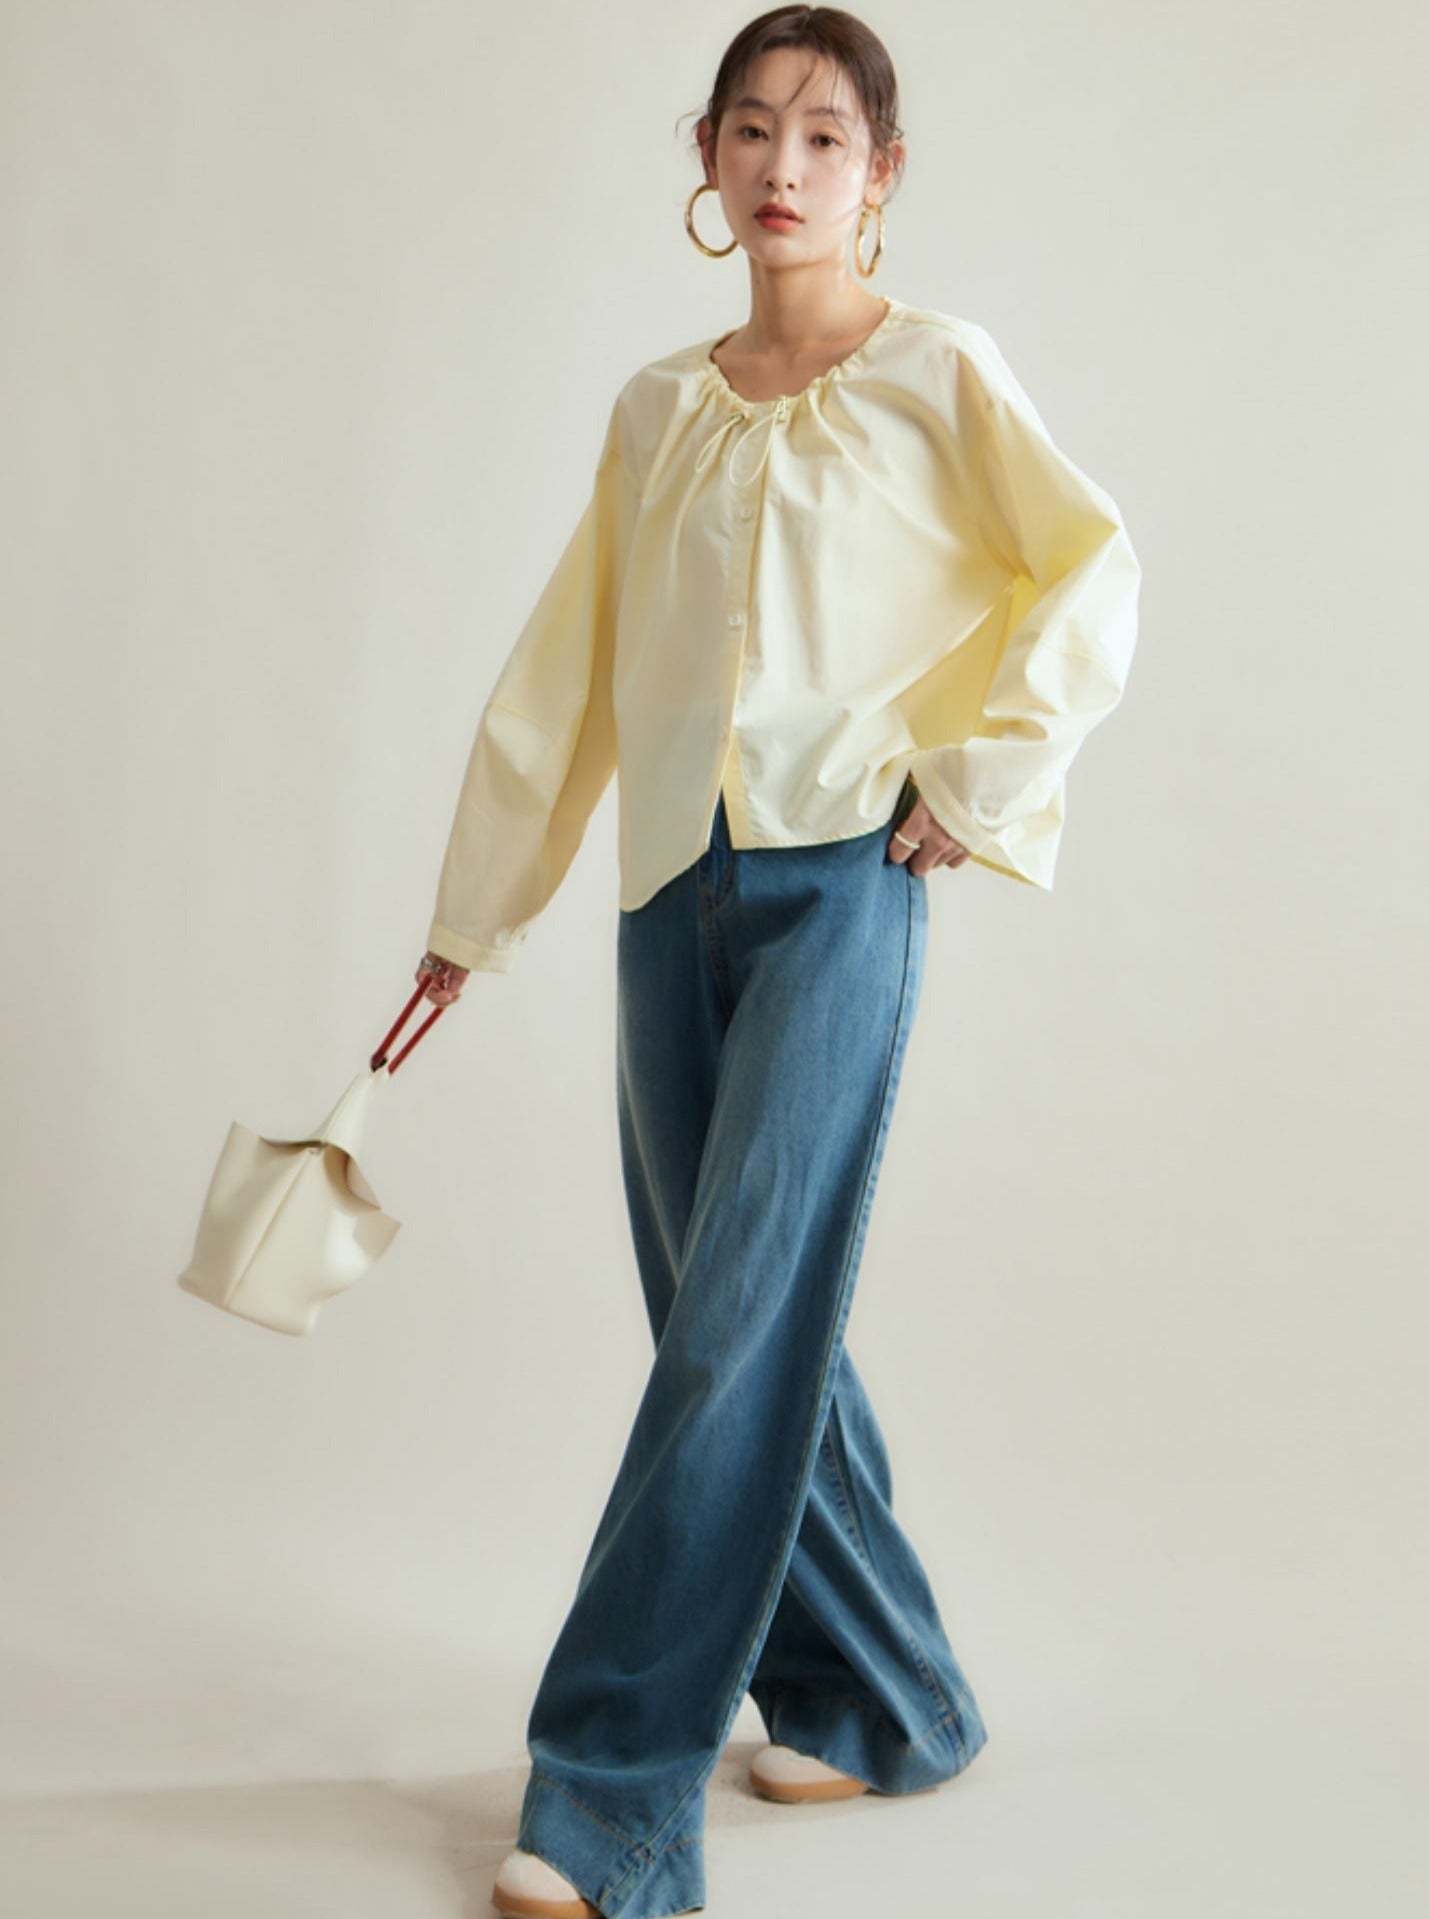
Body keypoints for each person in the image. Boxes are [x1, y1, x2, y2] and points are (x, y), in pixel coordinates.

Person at [415, 11, 1140, 1917]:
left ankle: (610, 1798)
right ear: (709, 163)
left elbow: (1091, 567)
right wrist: (472, 917)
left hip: (842, 887)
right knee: (723, 1316)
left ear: (879, 174)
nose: (784, 166)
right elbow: (566, 671)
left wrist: (978, 780)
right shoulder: (657, 406)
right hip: (670, 888)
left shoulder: (938, 371)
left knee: (736, 1320)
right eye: (751, 130)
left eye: (824, 136)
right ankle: (889, 1699)